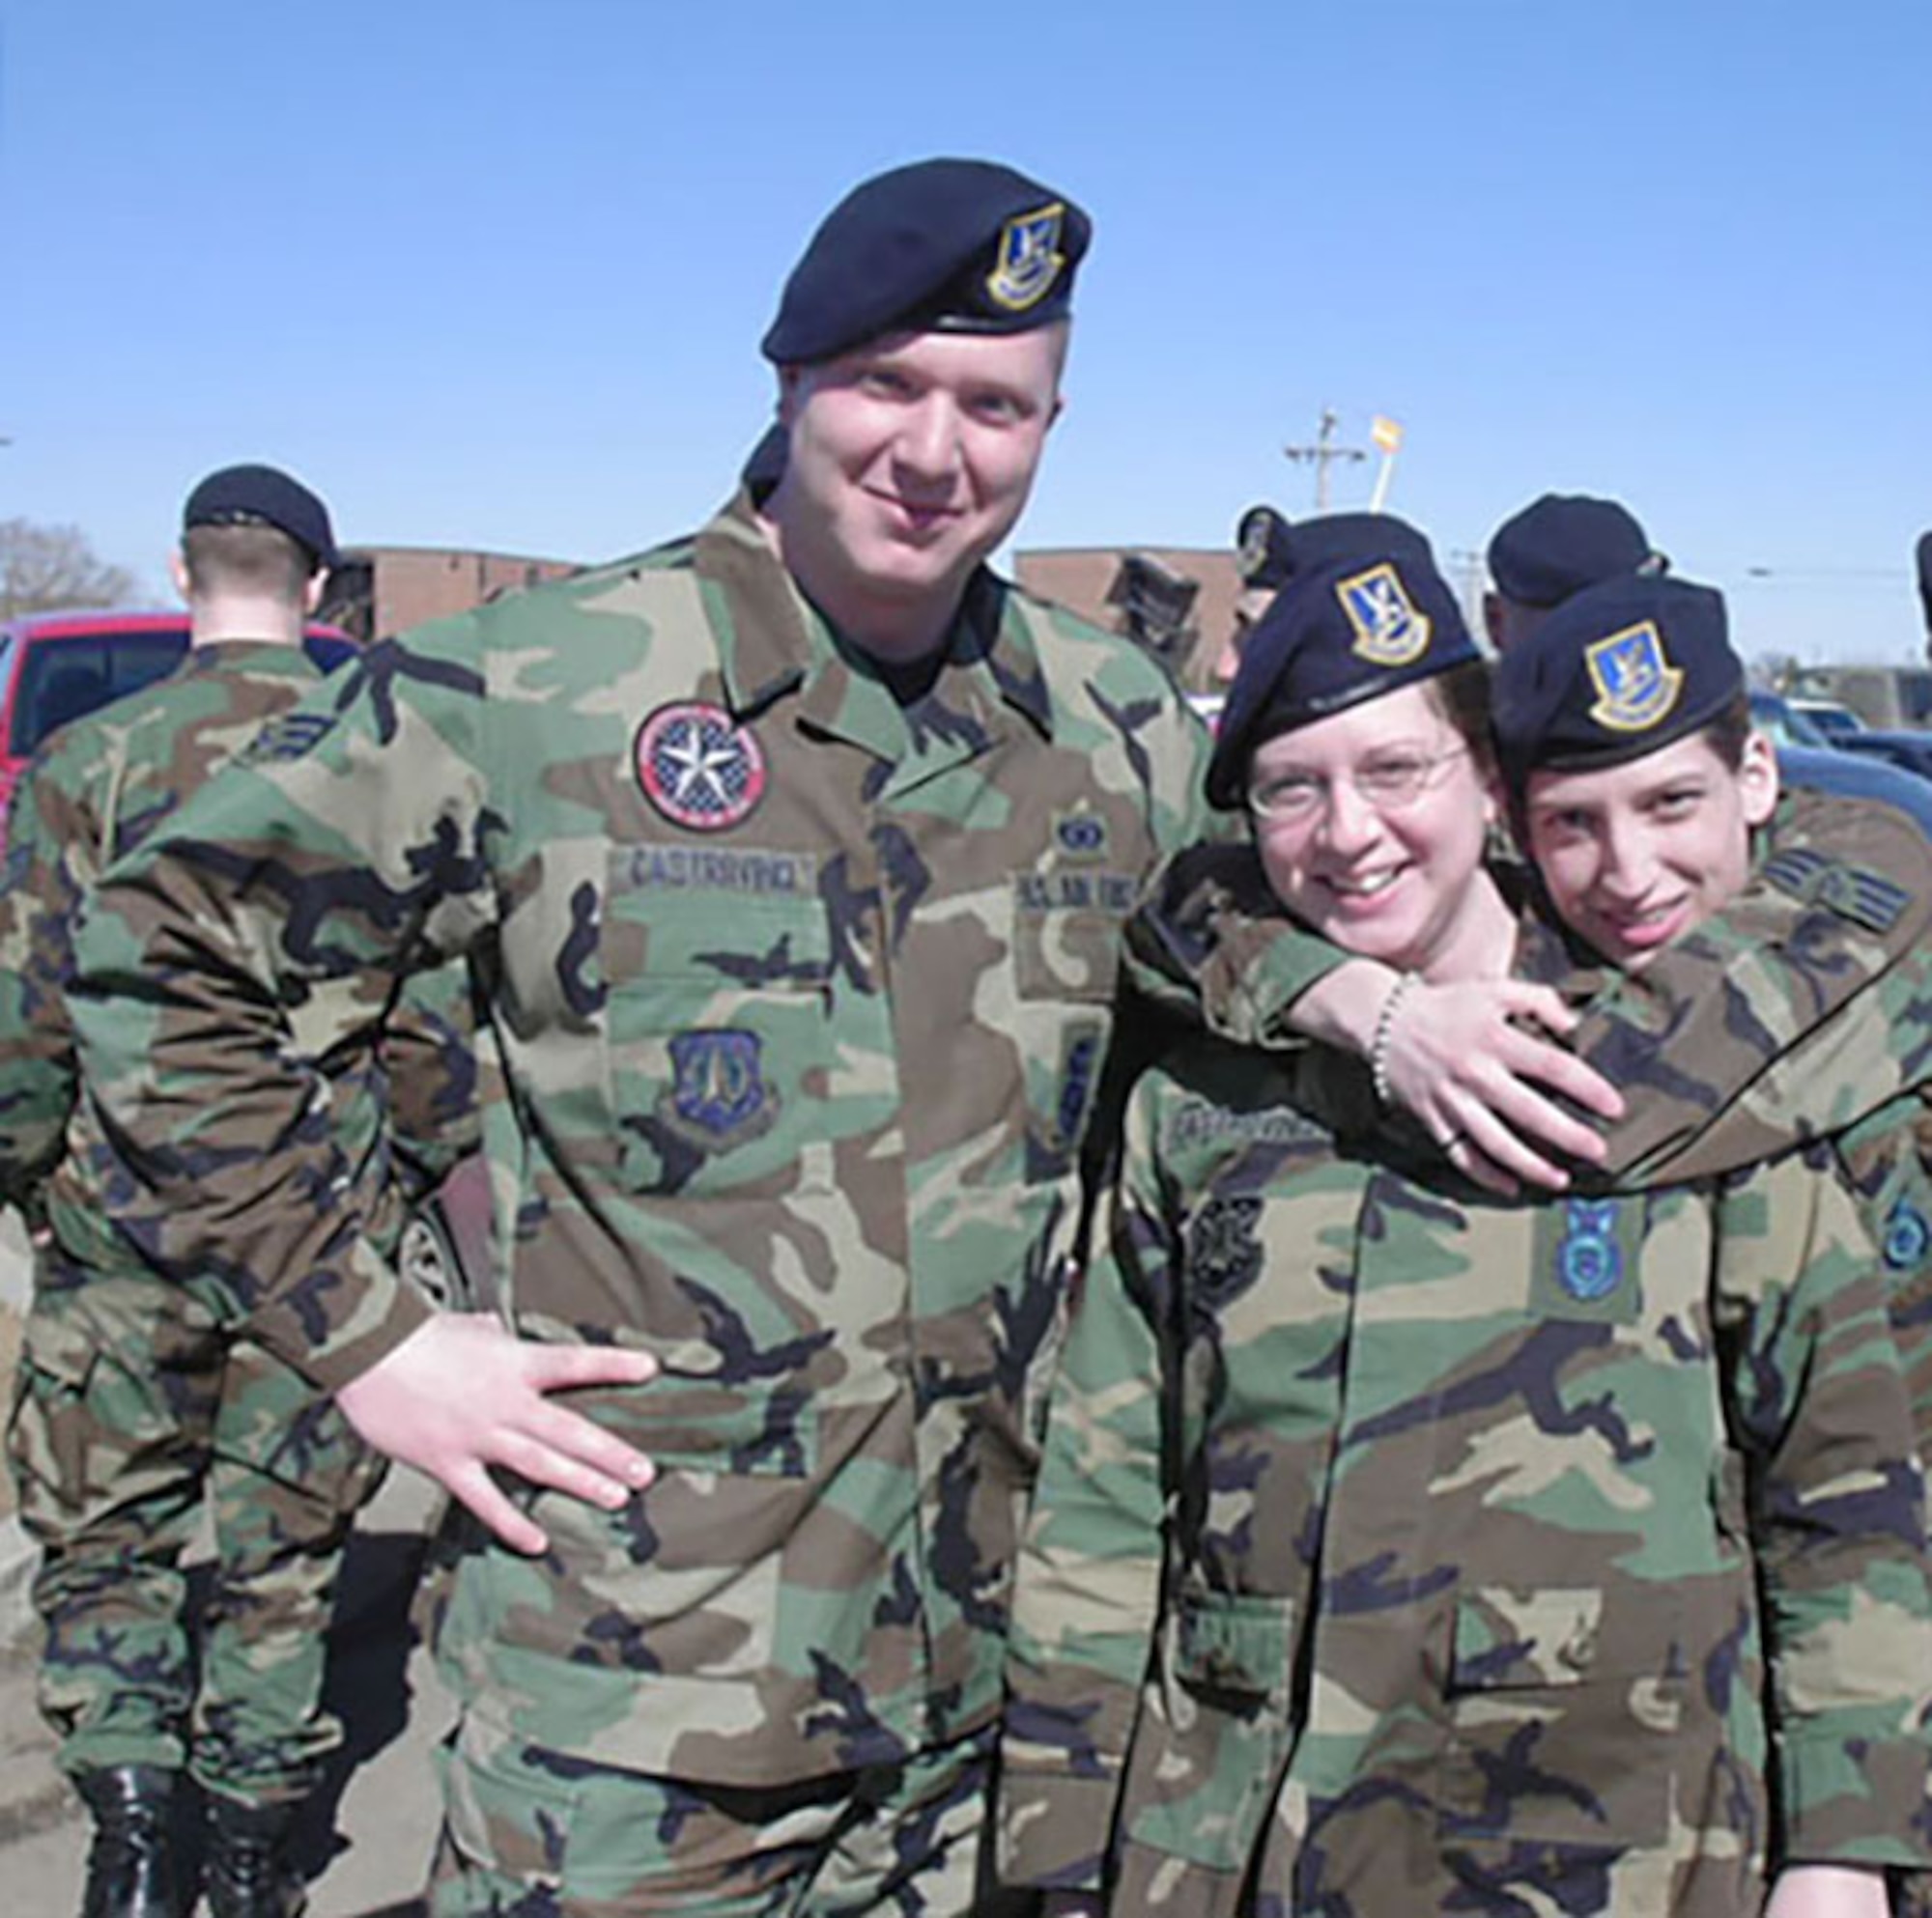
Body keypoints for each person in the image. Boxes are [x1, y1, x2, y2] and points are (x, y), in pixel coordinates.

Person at [61, 159, 1210, 1913]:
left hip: (983, 1690)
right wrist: (366, 1337)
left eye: (997, 405)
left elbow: (1235, 986)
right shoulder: (545, 687)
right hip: (634, 1703)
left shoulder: (1111, 724)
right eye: (890, 385)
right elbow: (158, 960)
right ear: (791, 383)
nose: (937, 450)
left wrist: (1362, 991)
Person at [999, 544, 1932, 1916]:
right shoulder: (1204, 1096)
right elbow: (1105, 1491)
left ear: (1485, 779)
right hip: (1245, 1834)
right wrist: (1058, 1849)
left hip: (1622, 1844)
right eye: (1291, 788)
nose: (1350, 831)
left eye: (1395, 770)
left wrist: (1846, 1853)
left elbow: (1841, 1497)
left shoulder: (1707, 1076)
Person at [0, 465, 478, 1918]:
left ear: (185, 569)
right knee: (285, 1549)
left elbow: (28, 1009)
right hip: (319, 1228)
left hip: (118, 1214)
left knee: (110, 1533)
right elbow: (431, 1019)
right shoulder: (374, 754)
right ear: (322, 589)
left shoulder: (88, 763)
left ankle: (135, 1834)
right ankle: (258, 1852)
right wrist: (417, 1181)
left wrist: (34, 1179)